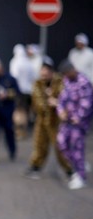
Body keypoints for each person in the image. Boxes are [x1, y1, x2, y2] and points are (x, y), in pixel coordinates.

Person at [25, 57, 74, 180]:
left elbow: (66, 97)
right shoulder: (37, 83)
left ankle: (70, 170)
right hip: (42, 120)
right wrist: (48, 102)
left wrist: (57, 102)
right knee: (39, 144)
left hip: (56, 121)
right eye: (42, 71)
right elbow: (37, 102)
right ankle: (35, 166)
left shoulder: (60, 81)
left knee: (60, 146)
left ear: (51, 71)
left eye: (46, 71)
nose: (44, 74)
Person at [56, 59, 93, 190]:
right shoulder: (67, 82)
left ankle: (80, 176)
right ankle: (78, 164)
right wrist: (60, 111)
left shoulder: (84, 83)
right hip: (66, 120)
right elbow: (62, 99)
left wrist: (78, 117)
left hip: (79, 122)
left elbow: (87, 103)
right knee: (61, 143)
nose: (65, 76)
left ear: (72, 70)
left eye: (66, 73)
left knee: (77, 148)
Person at [9, 44, 38, 140]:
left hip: (19, 90)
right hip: (28, 90)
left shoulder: (15, 62)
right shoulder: (28, 63)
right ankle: (24, 131)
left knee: (18, 111)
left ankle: (18, 131)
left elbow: (14, 77)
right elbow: (34, 77)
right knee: (25, 111)